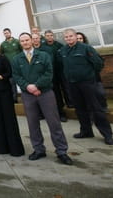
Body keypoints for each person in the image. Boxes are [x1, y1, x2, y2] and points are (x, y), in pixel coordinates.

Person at [12, 32, 73, 165]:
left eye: (27, 40)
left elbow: (49, 73)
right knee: (33, 124)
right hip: (28, 95)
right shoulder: (17, 59)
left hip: (45, 93)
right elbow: (16, 76)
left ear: (32, 41)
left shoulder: (44, 55)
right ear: (20, 43)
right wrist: (28, 86)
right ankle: (39, 149)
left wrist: (37, 85)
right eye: (22, 41)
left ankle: (61, 151)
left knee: (54, 123)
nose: (25, 43)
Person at [58, 28, 113, 145]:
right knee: (80, 109)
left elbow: (98, 63)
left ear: (75, 36)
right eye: (66, 37)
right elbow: (62, 65)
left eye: (70, 36)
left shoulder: (85, 48)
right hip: (73, 84)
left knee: (96, 109)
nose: (69, 39)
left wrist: (90, 75)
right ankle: (86, 131)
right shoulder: (63, 51)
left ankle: (107, 135)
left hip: (87, 83)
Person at [40, 30, 69, 121]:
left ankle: (67, 107)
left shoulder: (59, 45)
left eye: (51, 35)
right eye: (47, 35)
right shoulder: (43, 47)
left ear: (53, 36)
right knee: (54, 94)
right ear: (45, 37)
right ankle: (57, 113)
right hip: (50, 73)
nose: (49, 37)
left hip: (60, 71)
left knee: (64, 89)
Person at [76, 31, 108, 112]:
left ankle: (103, 108)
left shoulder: (89, 48)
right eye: (77, 39)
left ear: (84, 39)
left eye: (81, 38)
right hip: (82, 79)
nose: (79, 40)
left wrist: (94, 71)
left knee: (100, 93)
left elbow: (99, 61)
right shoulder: (72, 51)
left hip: (94, 77)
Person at [0, 28, 21, 103]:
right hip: (9, 67)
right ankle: (14, 99)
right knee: (12, 83)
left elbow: (22, 51)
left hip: (19, 65)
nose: (6, 34)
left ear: (10, 33)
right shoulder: (3, 44)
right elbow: (1, 54)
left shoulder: (17, 41)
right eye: (5, 33)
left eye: (7, 33)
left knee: (22, 81)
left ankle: (26, 97)